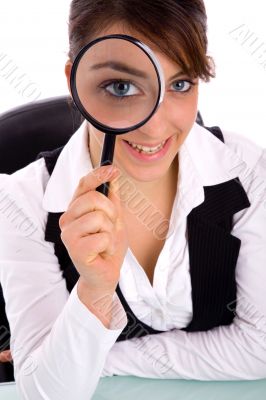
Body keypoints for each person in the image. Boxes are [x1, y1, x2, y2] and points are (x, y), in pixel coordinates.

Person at [0, 0, 266, 398]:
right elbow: (48, 393)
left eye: (180, 84)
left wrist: (100, 358)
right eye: (121, 87)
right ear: (74, 80)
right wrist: (94, 290)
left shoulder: (246, 170)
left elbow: (261, 348)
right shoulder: (21, 201)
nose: (155, 125)